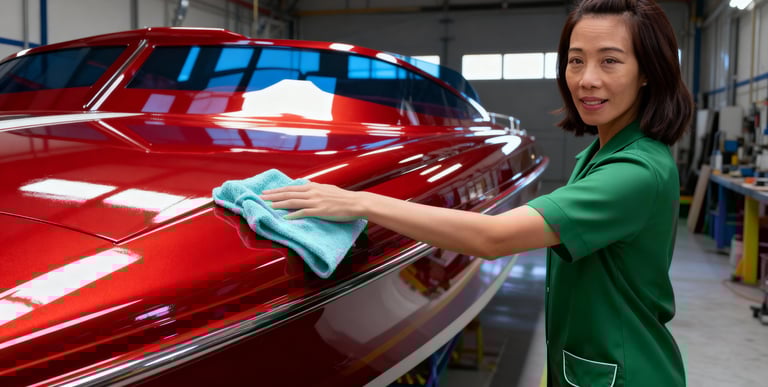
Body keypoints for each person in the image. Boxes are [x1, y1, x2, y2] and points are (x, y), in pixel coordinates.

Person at [261, 0, 693, 385]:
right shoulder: (599, 153)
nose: (587, 79)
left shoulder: (634, 171)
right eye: (576, 61)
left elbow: (493, 238)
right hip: (591, 365)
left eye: (610, 62)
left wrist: (358, 201)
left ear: (648, 74)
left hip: (626, 371)